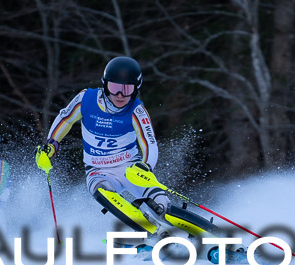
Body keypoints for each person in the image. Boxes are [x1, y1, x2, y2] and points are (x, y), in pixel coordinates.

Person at [35, 56, 216, 241]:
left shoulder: (137, 110)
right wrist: (51, 145)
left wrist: (145, 167)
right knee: (104, 193)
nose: (120, 95)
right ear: (105, 85)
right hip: (98, 171)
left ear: (136, 89)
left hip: (131, 169)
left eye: (127, 89)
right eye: (115, 88)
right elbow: (65, 118)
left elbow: (149, 142)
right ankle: (155, 233)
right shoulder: (86, 99)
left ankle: (214, 234)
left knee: (162, 208)